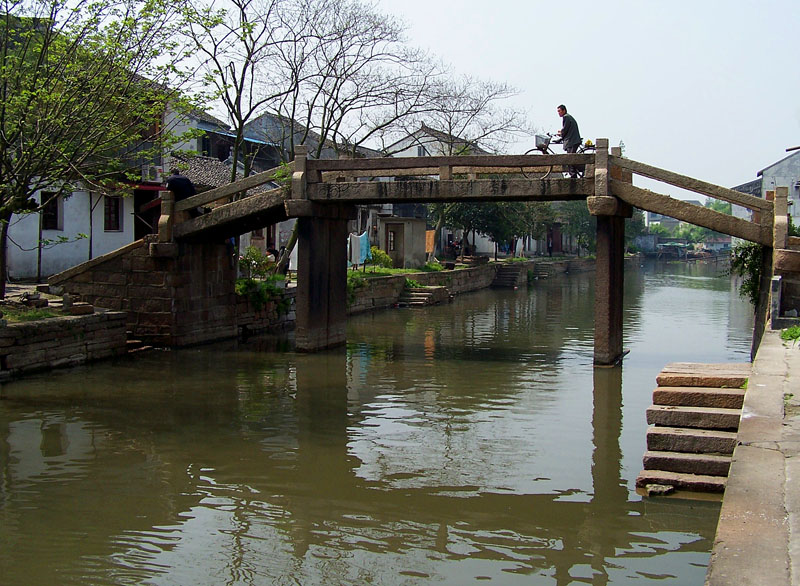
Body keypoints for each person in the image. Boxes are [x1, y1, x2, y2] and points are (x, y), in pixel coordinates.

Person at [556, 104, 582, 178]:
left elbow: (565, 129)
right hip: (572, 139)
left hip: (572, 140)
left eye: (559, 111)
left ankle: (573, 175)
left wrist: (561, 133)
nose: (559, 113)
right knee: (570, 157)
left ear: (564, 110)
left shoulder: (566, 117)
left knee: (570, 158)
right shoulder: (568, 117)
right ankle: (573, 173)